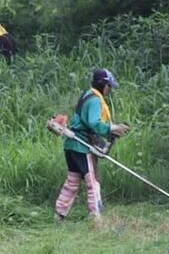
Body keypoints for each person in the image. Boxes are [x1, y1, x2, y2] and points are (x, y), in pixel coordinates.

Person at [54, 69, 130, 221]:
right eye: (109, 86)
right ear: (103, 85)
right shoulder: (95, 100)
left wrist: (111, 128)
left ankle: (59, 214)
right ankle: (96, 217)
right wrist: (113, 128)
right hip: (82, 146)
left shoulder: (87, 94)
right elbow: (94, 123)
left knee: (73, 181)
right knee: (93, 182)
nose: (110, 90)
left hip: (71, 146)